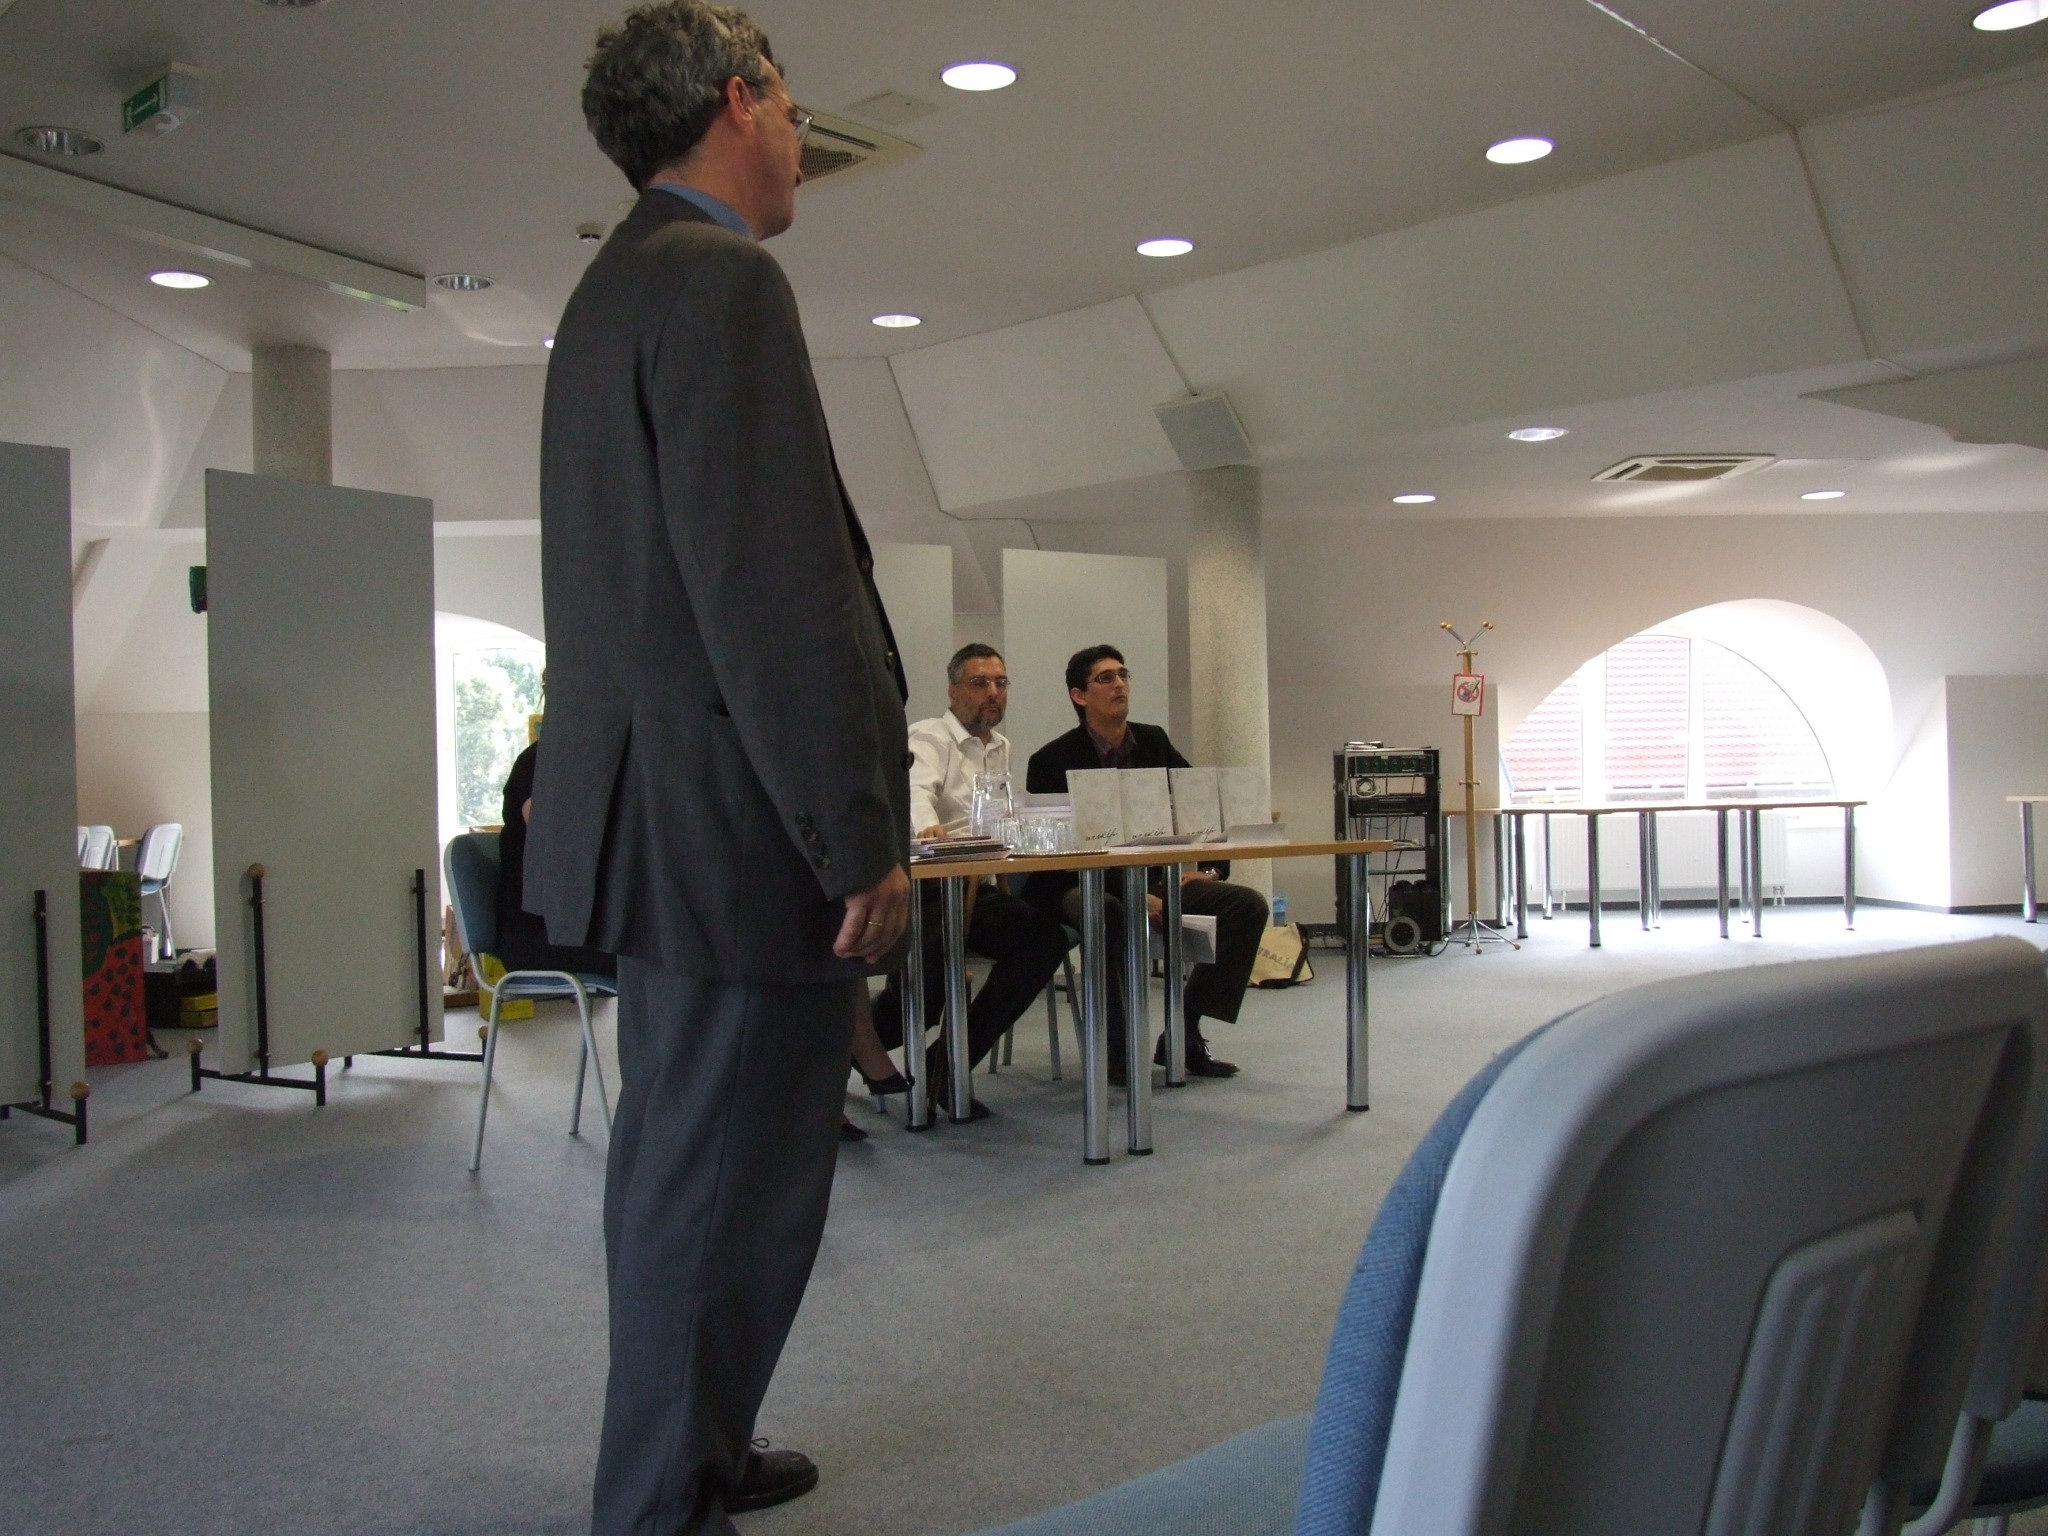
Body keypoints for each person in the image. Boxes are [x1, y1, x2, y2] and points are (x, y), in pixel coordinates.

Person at [524, 8, 911, 1535]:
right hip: (737, 831)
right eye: (795, 105)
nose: (804, 136)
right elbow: (773, 592)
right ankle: (658, 1502)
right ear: (740, 101)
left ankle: (699, 1443)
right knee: (720, 1190)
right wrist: (853, 834)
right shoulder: (722, 279)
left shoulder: (613, 289)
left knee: (693, 1170)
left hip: (661, 822)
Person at [1024, 644, 1268, 1083]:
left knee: (1246, 905)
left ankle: (1183, 1032)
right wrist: (1136, 895)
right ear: (1079, 695)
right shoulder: (1050, 762)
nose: (1119, 684)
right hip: (1080, 883)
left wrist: (1212, 869)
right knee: (1106, 909)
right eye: (1106, 678)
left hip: (1152, 878)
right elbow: (1061, 858)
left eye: (1123, 675)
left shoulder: (1152, 741)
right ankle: (1118, 1051)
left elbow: (1203, 803)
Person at [869, 644, 1067, 1115]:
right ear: (953, 691)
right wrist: (927, 828)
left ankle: (948, 1063)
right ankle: (854, 1047)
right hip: (928, 887)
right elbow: (913, 792)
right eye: (980, 683)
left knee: (1043, 940)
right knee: (928, 989)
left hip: (976, 887)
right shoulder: (929, 736)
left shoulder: (1000, 748)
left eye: (1001, 683)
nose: (993, 692)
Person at [495, 739, 615, 979]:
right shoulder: (539, 761)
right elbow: (557, 842)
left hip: (575, 930)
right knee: (652, 955)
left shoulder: (594, 758)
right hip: (536, 935)